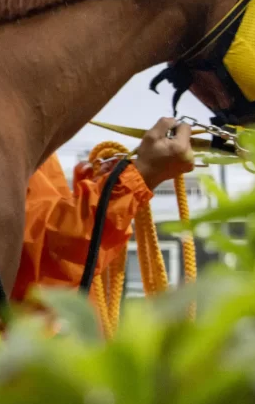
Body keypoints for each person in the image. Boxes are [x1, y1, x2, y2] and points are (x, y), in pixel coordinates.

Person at [12, 117, 196, 306]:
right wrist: (138, 178)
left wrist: (101, 187)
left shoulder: (6, 126)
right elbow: (36, 257)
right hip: (26, 331)